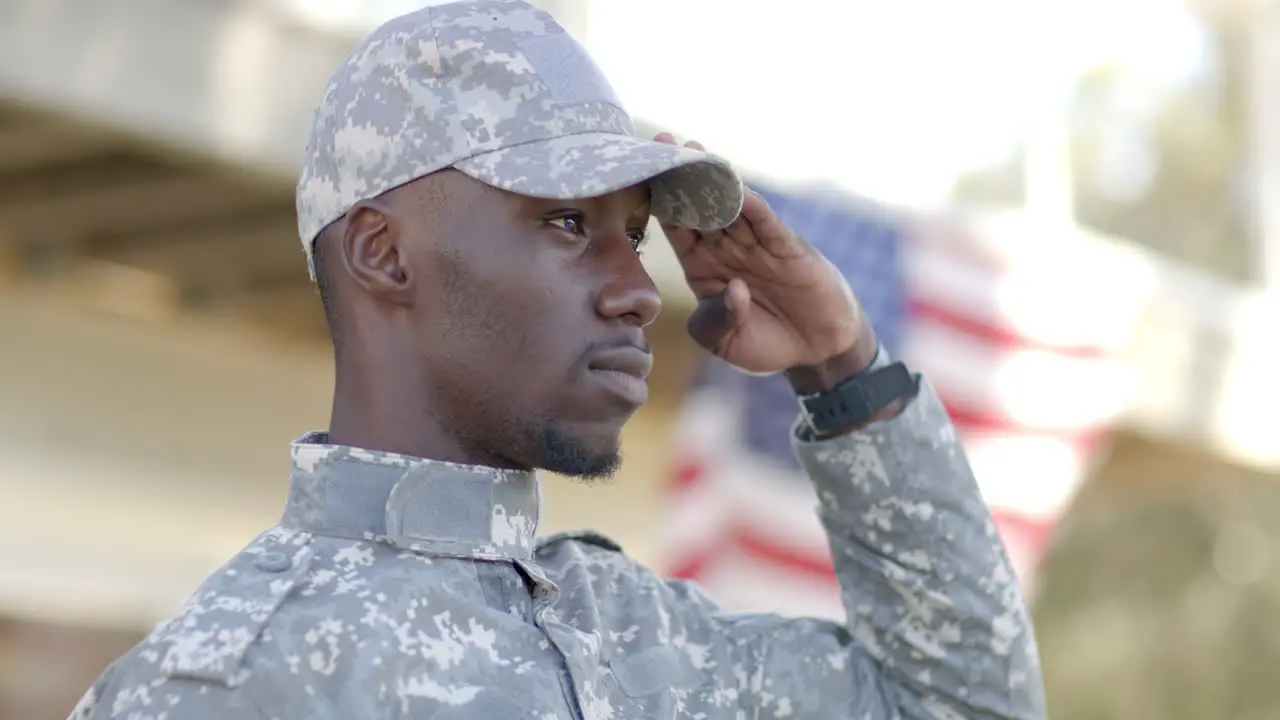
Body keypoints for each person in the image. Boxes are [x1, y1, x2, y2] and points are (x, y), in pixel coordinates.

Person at [69, 1, 1045, 718]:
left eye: (634, 233)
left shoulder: (646, 644)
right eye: (568, 222)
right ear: (382, 251)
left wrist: (843, 368)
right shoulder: (229, 685)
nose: (633, 287)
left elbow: (959, 706)